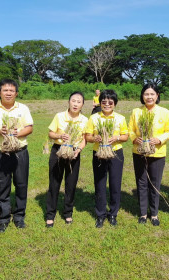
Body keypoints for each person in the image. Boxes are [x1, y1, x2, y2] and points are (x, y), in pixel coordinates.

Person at [0, 79, 33, 233]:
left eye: (12, 90)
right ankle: (3, 219)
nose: (9, 93)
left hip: (20, 153)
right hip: (1, 153)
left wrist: (17, 133)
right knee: (2, 187)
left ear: (16, 93)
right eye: (5, 90)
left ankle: (19, 217)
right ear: (0, 92)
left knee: (21, 185)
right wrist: (0, 131)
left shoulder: (23, 108)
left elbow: (29, 127)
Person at [128, 83, 169, 226]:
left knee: (155, 183)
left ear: (157, 95)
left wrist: (159, 139)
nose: (149, 97)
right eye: (146, 94)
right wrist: (135, 138)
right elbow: (130, 130)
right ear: (142, 96)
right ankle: (142, 213)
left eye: (152, 94)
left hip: (157, 153)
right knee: (141, 182)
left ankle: (154, 214)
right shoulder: (136, 112)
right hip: (139, 152)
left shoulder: (164, 112)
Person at [85, 90, 128, 228]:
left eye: (110, 102)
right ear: (100, 103)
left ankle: (113, 213)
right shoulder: (94, 118)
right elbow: (87, 136)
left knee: (115, 184)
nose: (107, 104)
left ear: (115, 104)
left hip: (116, 154)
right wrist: (94, 138)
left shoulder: (120, 118)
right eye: (104, 102)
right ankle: (100, 214)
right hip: (99, 153)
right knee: (100, 184)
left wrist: (116, 138)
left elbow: (125, 136)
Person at [45, 92, 88, 227]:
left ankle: (68, 213)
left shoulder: (85, 120)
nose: (75, 104)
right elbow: (50, 133)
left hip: (74, 153)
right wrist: (60, 135)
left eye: (79, 102)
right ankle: (50, 214)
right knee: (54, 183)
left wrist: (78, 150)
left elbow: (85, 139)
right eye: (73, 101)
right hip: (58, 151)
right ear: (68, 102)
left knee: (71, 184)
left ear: (82, 105)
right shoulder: (59, 116)